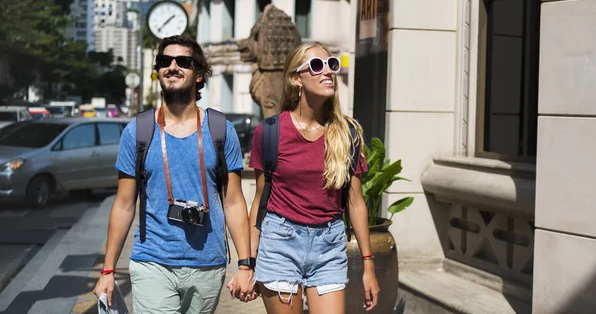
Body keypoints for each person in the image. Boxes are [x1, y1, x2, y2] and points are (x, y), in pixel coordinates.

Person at [93, 35, 255, 313]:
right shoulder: (138, 131)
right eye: (165, 61)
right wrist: (107, 270)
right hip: (152, 261)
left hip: (207, 262)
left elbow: (233, 201)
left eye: (183, 61)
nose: (172, 66)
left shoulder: (220, 129)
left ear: (200, 74)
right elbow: (123, 203)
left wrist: (245, 264)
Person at [240, 42, 380, 313]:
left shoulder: (347, 133)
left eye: (332, 65)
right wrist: (247, 263)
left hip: (329, 246)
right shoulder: (270, 132)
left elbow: (356, 203)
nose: (327, 72)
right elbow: (260, 200)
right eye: (317, 66)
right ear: (296, 79)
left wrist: (368, 265)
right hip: (280, 242)